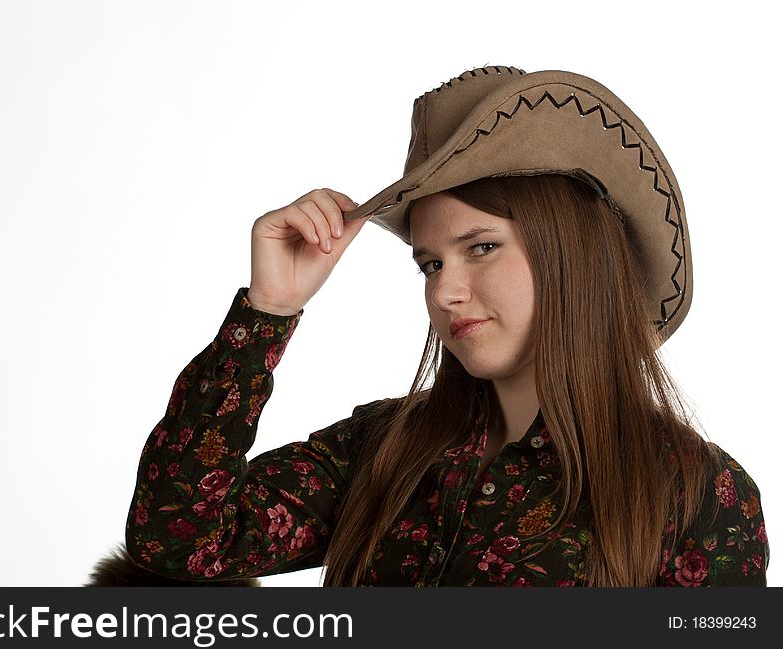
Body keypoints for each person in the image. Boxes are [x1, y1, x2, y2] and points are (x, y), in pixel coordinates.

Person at [125, 65, 769, 586]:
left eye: (481, 247)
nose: (445, 291)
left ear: (575, 255)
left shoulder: (698, 498)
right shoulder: (383, 449)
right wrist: (268, 312)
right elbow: (177, 537)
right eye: (428, 264)